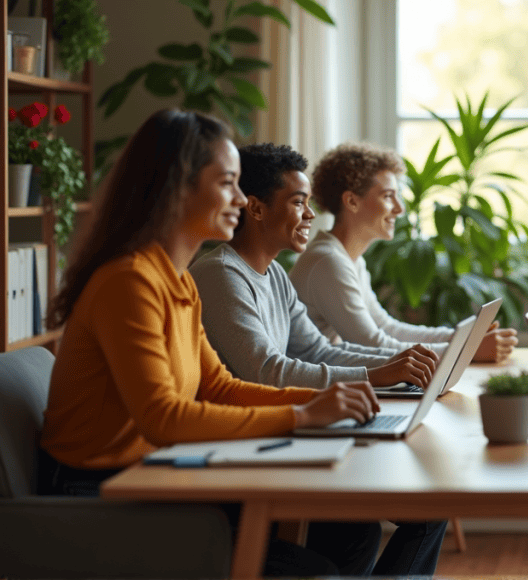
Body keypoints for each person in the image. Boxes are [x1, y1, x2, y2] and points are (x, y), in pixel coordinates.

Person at [39, 110, 445, 576]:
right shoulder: (130, 283)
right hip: (98, 492)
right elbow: (164, 417)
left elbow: (221, 388)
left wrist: (320, 403)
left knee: (353, 529)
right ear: (178, 187)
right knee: (322, 569)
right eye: (228, 183)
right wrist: (303, 415)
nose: (239, 197)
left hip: (154, 473)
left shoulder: (178, 283)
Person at [189, 142, 440, 393]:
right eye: (298, 203)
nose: (310, 214)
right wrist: (375, 375)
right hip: (241, 426)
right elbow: (266, 371)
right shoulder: (221, 274)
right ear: (255, 208)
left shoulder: (275, 274)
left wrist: (399, 363)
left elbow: (317, 351)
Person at [288, 141, 517, 362]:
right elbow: (370, 345)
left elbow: (386, 327)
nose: (399, 209)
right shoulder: (328, 261)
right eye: (388, 196)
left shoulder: (347, 259)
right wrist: (466, 351)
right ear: (351, 201)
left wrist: (465, 338)